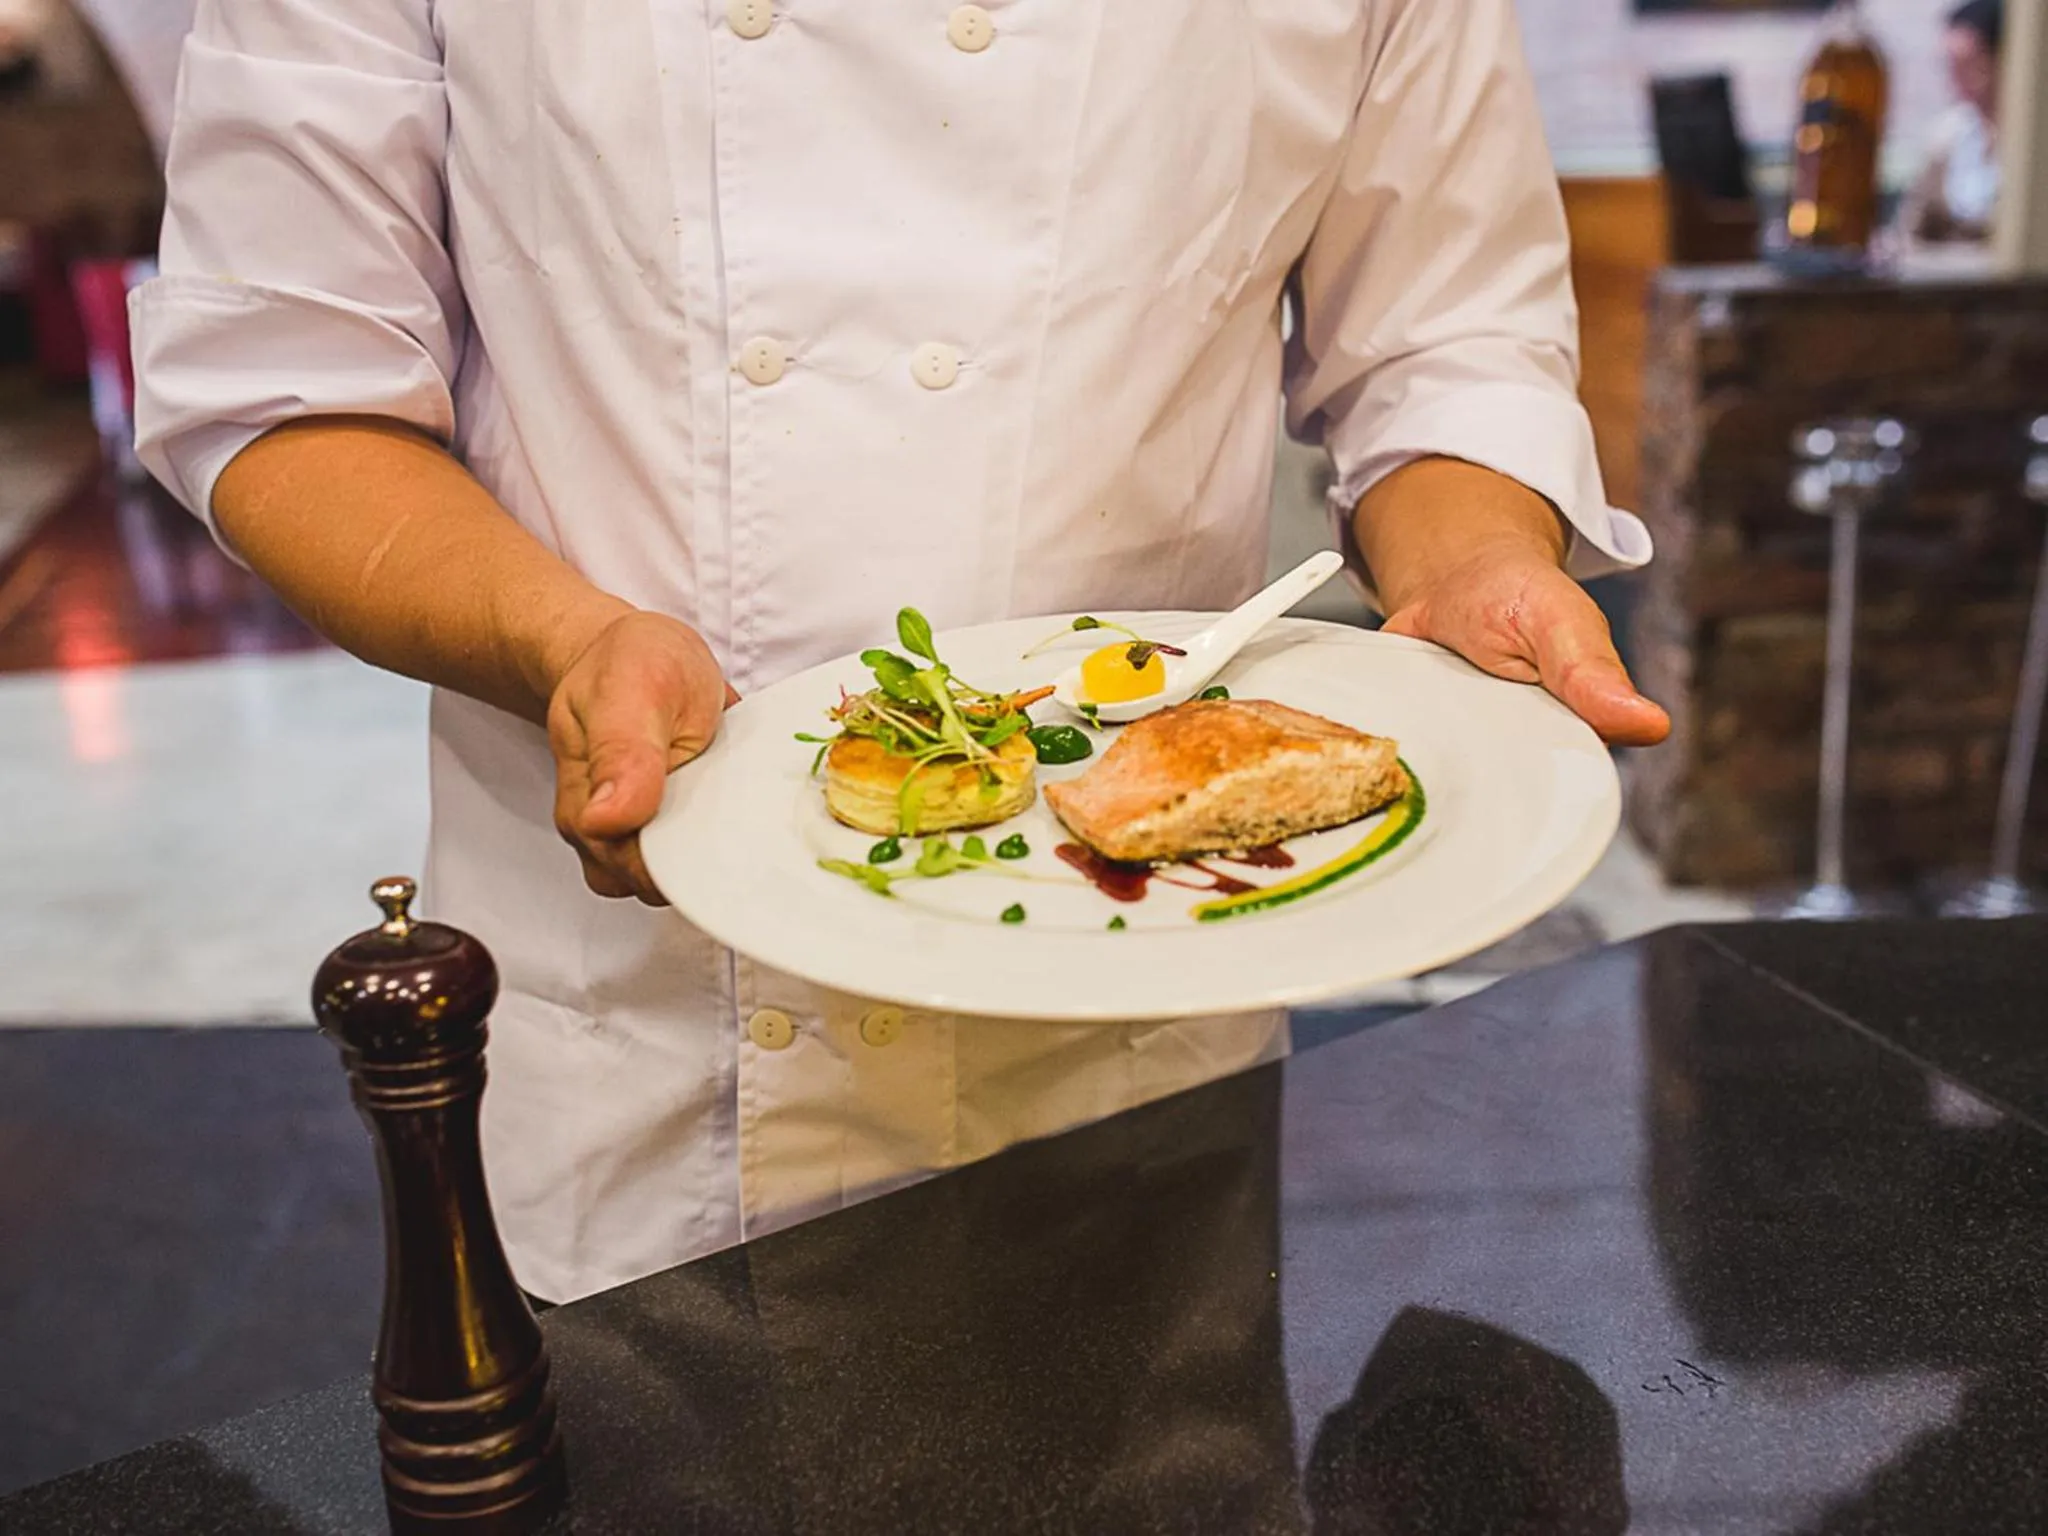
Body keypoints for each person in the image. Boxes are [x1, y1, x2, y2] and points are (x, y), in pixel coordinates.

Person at [131, 0, 1669, 1303]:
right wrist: (565, 641)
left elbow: (1446, 338)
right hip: (642, 1019)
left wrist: (1481, 558)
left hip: (1130, 1012)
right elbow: (287, 379)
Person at [1901, 0, 2004, 246]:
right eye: (1950, 64)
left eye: (1969, 63)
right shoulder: (1950, 134)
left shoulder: (2032, 138)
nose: (1956, 75)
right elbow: (1913, 222)